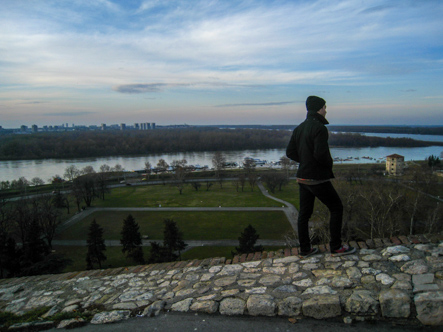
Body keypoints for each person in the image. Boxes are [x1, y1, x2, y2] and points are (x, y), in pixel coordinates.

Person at [286, 96, 356, 257]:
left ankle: (305, 249)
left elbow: (290, 152)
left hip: (302, 178)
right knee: (336, 207)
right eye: (324, 107)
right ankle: (336, 247)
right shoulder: (319, 128)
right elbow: (321, 154)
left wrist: (304, 161)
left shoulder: (299, 128)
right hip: (317, 178)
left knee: (304, 214)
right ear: (318, 109)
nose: (326, 110)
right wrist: (327, 166)